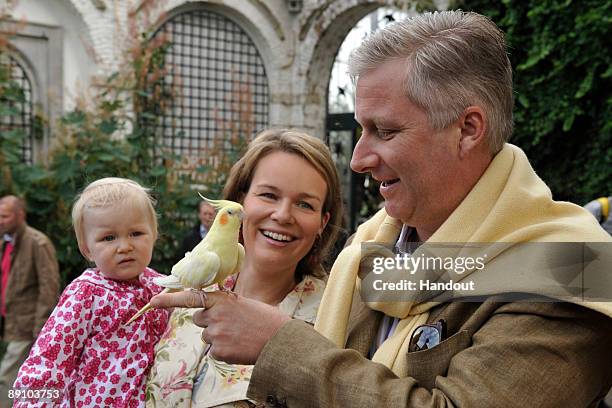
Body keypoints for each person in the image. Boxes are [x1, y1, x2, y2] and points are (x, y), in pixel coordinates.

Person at [151, 10, 612, 407]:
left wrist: (278, 344)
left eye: (385, 131)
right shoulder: (373, 245)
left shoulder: (574, 266)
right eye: (360, 129)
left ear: (468, 129)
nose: (357, 159)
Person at [145, 129, 344, 407]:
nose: (283, 215)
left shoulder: (337, 322)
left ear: (322, 222)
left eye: (304, 204)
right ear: (241, 201)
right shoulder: (188, 292)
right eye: (269, 195)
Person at [13, 178, 169, 407]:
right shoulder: (85, 293)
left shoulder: (166, 288)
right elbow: (49, 361)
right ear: (87, 249)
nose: (125, 246)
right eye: (108, 238)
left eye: (136, 233)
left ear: (154, 233)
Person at [0, 195, 60, 407]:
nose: (0, 221)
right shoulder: (6, 242)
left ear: (20, 215)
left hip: (29, 325)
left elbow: (49, 287)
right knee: (24, 379)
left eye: (5, 216)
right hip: (11, 322)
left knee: (6, 376)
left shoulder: (38, 243)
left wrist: (40, 329)